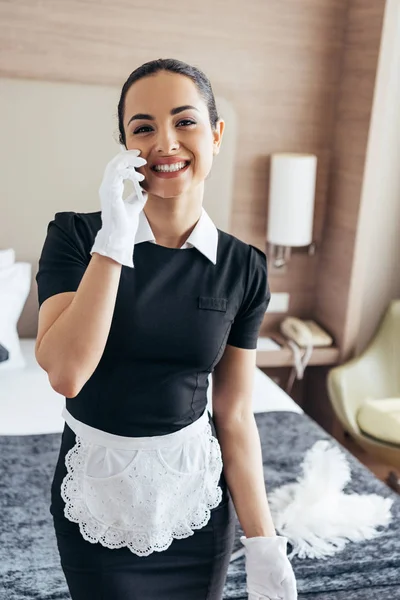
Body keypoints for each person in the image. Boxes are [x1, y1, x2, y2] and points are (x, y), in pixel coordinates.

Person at [35, 58, 297, 600]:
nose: (166, 143)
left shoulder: (243, 266)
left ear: (216, 135)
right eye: (144, 127)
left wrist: (265, 540)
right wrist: (114, 236)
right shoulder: (73, 236)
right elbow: (66, 372)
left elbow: (235, 412)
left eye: (185, 122)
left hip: (195, 504)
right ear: (124, 144)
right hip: (96, 499)